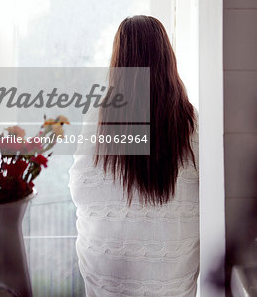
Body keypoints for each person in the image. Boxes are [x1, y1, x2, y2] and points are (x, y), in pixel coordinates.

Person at [69, 16, 199, 297]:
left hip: (112, 271)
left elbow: (82, 190)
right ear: (167, 57)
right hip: (172, 273)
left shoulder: (100, 115)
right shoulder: (190, 120)